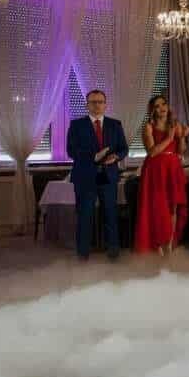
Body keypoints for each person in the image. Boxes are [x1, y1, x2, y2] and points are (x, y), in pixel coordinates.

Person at [66, 89, 129, 261]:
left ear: (105, 105)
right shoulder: (76, 125)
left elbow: (123, 148)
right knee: (85, 215)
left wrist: (116, 157)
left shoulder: (115, 124)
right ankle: (83, 253)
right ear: (87, 105)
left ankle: (113, 252)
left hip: (108, 175)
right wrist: (93, 157)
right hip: (85, 176)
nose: (97, 105)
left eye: (100, 102)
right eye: (93, 102)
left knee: (110, 213)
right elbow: (71, 150)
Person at [134, 95, 189, 255]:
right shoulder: (149, 127)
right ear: (153, 110)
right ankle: (157, 243)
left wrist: (182, 137)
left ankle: (169, 245)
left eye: (164, 104)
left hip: (173, 169)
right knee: (157, 207)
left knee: (173, 208)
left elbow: (180, 151)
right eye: (157, 106)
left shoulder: (175, 124)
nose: (162, 108)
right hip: (155, 171)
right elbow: (152, 152)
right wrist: (170, 137)